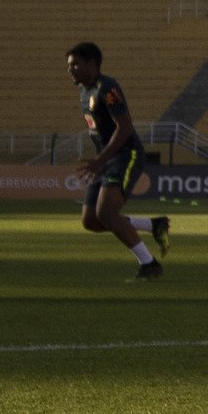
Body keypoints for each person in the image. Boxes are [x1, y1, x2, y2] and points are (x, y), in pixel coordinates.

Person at [66, 42, 169, 281]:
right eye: (69, 66)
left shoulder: (107, 88)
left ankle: (149, 264)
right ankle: (154, 225)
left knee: (107, 213)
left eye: (75, 65)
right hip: (105, 159)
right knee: (91, 220)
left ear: (92, 64)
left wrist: (100, 160)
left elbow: (125, 127)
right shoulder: (85, 91)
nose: (71, 70)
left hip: (125, 154)